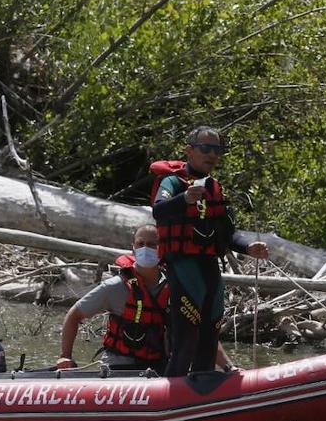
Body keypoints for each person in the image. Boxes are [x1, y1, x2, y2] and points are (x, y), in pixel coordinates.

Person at [152, 125, 267, 376]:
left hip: (209, 268)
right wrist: (184, 199)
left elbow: (228, 233)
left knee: (211, 330)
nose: (212, 155)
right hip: (182, 265)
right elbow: (158, 211)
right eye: (206, 148)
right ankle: (173, 392)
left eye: (217, 150)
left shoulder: (214, 187)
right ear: (189, 151)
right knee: (187, 337)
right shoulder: (172, 182)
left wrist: (248, 247)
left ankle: (203, 386)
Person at [55, 224, 233, 373]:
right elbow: (74, 315)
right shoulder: (114, 287)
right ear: (133, 247)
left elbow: (199, 331)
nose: (146, 248)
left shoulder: (175, 289)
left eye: (153, 244)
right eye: (141, 244)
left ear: (162, 247)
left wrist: (228, 366)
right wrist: (65, 356)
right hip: (118, 368)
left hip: (157, 367)